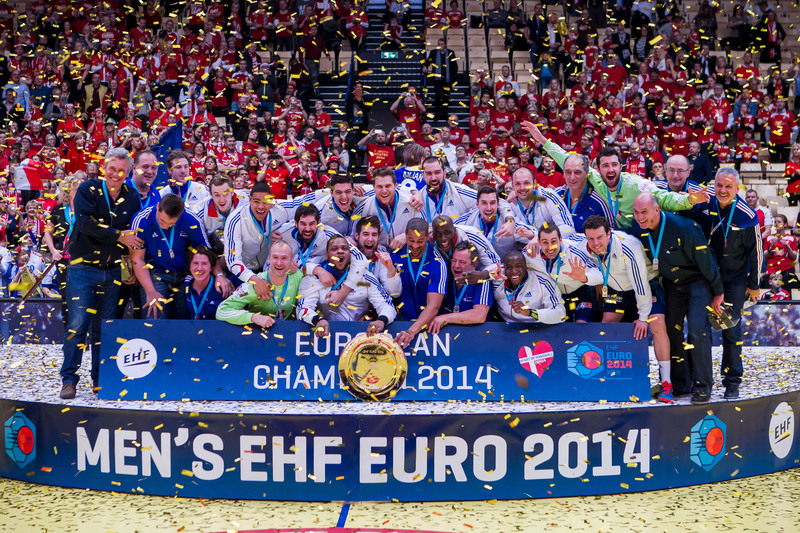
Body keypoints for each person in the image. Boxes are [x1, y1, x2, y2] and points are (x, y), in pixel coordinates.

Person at [59, 149, 143, 399]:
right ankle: (69, 380)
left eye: (121, 171)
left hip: (113, 271)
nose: (116, 175)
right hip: (83, 269)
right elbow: (84, 224)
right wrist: (117, 236)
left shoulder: (132, 195)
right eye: (112, 169)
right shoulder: (87, 189)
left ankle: (100, 379)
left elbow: (132, 233)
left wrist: (129, 264)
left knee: (104, 330)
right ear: (103, 168)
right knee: (77, 326)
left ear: (128, 172)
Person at [523, 121, 708, 229]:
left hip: (635, 234)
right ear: (598, 169)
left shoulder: (636, 185)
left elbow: (664, 198)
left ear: (621, 166)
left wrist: (689, 200)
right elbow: (566, 158)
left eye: (614, 165)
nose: (610, 169)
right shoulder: (596, 179)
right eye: (605, 166)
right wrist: (541, 139)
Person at [631, 193, 726, 404]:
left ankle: (703, 386)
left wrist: (718, 292)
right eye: (636, 212)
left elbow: (706, 262)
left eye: (644, 211)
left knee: (697, 331)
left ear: (657, 210)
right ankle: (680, 383)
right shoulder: (637, 227)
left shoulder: (684, 227)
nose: (640, 216)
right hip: (672, 284)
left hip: (698, 281)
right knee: (671, 330)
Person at [691, 167, 762, 399]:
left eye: (728, 186)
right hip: (705, 276)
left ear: (737, 188)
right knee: (699, 330)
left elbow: (756, 253)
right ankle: (699, 380)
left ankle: (732, 381)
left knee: (730, 330)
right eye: (719, 185)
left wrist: (754, 284)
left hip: (733, 280)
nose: (722, 190)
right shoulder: (703, 204)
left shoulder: (746, 215)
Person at [130, 194, 232, 319]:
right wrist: (150, 292)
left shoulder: (191, 219)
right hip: (155, 272)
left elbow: (207, 253)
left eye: (172, 223)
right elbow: (137, 259)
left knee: (184, 317)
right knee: (154, 315)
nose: (165, 226)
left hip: (184, 273)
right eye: (162, 221)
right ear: (158, 207)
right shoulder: (141, 220)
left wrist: (220, 275)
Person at [297, 235, 396, 337]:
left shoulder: (365, 278)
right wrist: (318, 320)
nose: (340, 251)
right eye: (334, 249)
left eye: (344, 248)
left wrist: (381, 320)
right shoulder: (314, 278)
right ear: (327, 255)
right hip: (326, 335)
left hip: (360, 334)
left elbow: (387, 305)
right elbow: (302, 308)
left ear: (350, 254)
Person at [526, 224, 602, 323]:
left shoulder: (574, 253)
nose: (550, 247)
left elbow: (599, 273)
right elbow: (515, 263)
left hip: (581, 293)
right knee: (562, 329)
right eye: (545, 242)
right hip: (558, 299)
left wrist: (584, 278)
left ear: (560, 240)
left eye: (553, 241)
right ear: (539, 242)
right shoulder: (531, 255)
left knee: (582, 325)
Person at [217, 241, 303, 327]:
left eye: (284, 258)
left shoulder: (298, 276)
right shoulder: (253, 285)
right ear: (269, 259)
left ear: (291, 260)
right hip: (260, 333)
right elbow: (222, 311)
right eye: (275, 257)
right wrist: (253, 317)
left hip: (291, 332)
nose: (279, 263)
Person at [391, 218, 448, 348]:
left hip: (427, 328)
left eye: (420, 241)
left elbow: (433, 306)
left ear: (428, 237)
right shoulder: (394, 255)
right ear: (405, 235)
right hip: (397, 325)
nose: (415, 246)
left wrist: (411, 331)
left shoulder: (438, 263)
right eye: (411, 240)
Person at [428, 241, 493, 334]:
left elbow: (479, 315)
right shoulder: (446, 278)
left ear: (474, 265)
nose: (456, 266)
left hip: (478, 336)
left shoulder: (482, 281)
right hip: (448, 335)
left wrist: (446, 318)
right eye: (454, 260)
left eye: (462, 262)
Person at [353, 167, 421, 248]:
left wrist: (407, 234)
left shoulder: (411, 202)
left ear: (395, 186)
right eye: (379, 187)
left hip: (405, 252)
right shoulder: (364, 207)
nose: (384, 191)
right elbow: (353, 236)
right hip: (376, 252)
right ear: (373, 187)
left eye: (388, 186)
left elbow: (424, 227)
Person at [493, 250, 566, 324]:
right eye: (509, 267)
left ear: (525, 266)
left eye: (518, 266)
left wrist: (530, 312)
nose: (514, 271)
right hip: (504, 326)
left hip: (536, 326)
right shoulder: (497, 280)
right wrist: (490, 274)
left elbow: (561, 315)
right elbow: (488, 271)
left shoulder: (543, 282)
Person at [507, 165, 575, 239]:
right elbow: (515, 234)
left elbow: (568, 228)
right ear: (513, 186)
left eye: (526, 183)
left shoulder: (548, 196)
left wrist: (538, 238)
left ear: (534, 183)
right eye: (517, 184)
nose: (522, 188)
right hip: (523, 246)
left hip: (551, 244)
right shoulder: (509, 204)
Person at [553, 154, 612, 233]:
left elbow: (610, 234)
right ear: (563, 173)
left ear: (586, 173)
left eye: (577, 172)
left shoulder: (598, 203)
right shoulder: (556, 196)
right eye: (568, 172)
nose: (572, 177)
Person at [352, 215, 402, 297]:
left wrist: (390, 268)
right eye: (366, 234)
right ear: (356, 236)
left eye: (374, 235)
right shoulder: (348, 253)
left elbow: (395, 293)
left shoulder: (381, 253)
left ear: (379, 237)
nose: (370, 239)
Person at [158, 149, 211, 215]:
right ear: (169, 170)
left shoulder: (202, 190)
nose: (183, 171)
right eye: (178, 167)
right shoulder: (162, 194)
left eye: (186, 167)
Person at [185, 246, 227, 319]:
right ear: (189, 267)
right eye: (195, 263)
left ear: (211, 267)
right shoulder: (185, 285)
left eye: (204, 263)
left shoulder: (222, 287)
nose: (199, 268)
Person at [425, 38, 459, 120]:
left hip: (447, 80)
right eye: (439, 44)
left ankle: (444, 114)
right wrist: (425, 66)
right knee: (437, 96)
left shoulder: (451, 53)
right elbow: (428, 61)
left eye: (442, 44)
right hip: (437, 80)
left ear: (445, 45)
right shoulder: (433, 52)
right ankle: (437, 114)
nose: (440, 46)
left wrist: (452, 79)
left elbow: (455, 66)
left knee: (446, 97)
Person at [764, 213, 798, 289]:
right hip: (772, 270)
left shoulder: (791, 238)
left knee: (789, 282)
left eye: (779, 222)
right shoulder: (769, 238)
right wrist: (770, 248)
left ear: (785, 224)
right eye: (775, 222)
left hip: (786, 269)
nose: (776, 224)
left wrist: (788, 247)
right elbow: (765, 257)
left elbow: (794, 258)